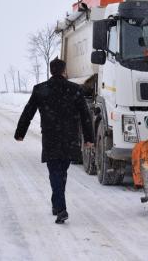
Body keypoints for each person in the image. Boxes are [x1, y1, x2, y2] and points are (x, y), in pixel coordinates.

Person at [14, 58, 94, 224]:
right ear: (64, 71)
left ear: (51, 71)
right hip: (69, 138)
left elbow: (28, 112)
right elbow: (85, 116)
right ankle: (59, 206)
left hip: (50, 137)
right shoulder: (75, 89)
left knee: (55, 173)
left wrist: (20, 133)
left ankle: (59, 207)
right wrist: (89, 138)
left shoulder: (41, 89)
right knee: (61, 172)